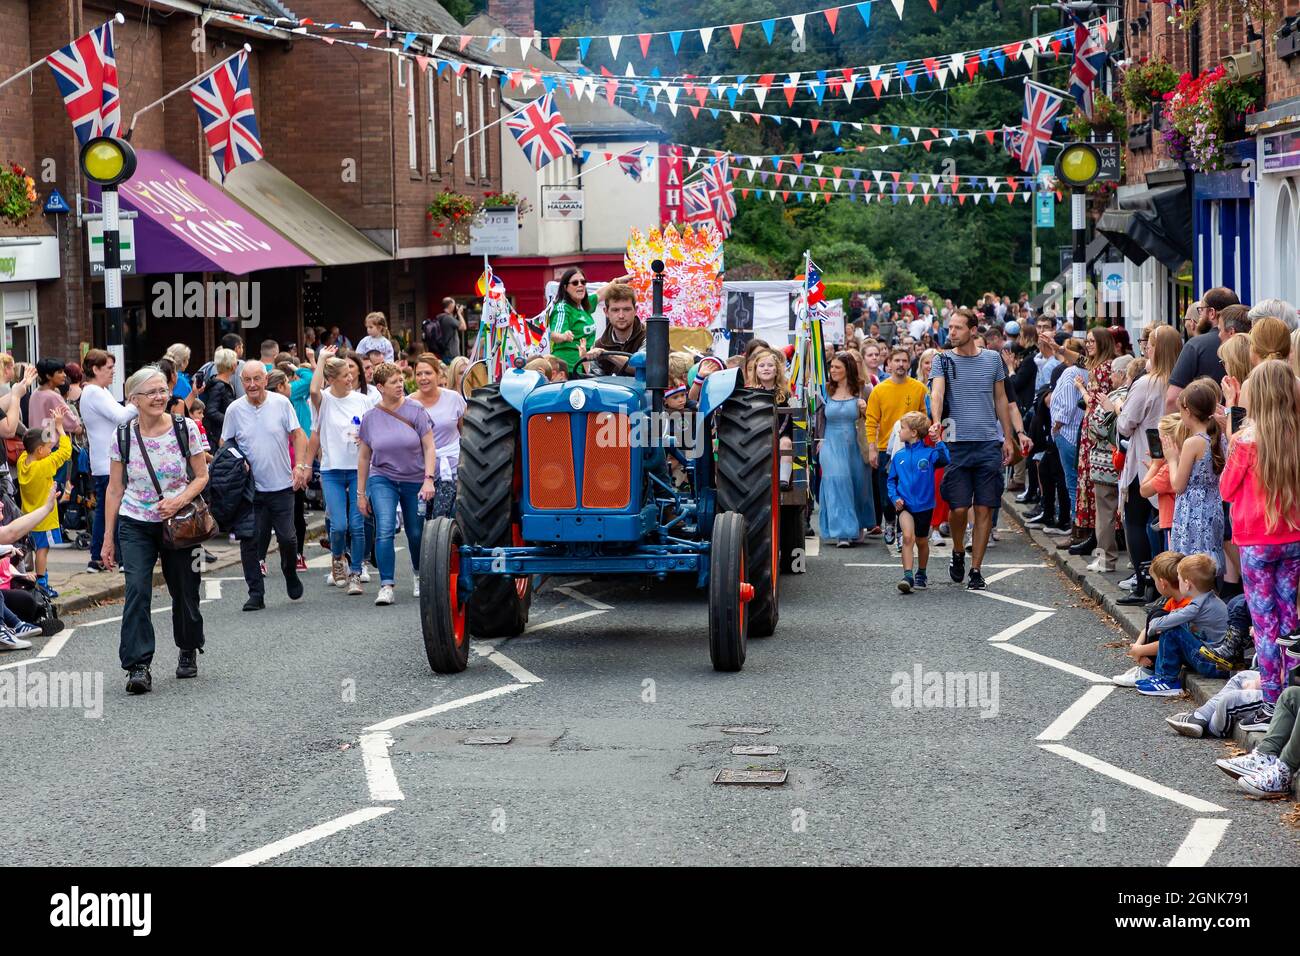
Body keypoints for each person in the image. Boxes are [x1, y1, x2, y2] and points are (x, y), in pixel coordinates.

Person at [101, 366, 209, 694]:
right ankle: (138, 666)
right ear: (133, 399)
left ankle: (188, 647)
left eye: (163, 390)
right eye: (151, 392)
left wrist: (178, 501)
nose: (160, 397)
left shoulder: (184, 427)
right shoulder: (122, 435)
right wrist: (108, 538)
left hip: (180, 522)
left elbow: (202, 476)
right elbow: (114, 489)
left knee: (185, 589)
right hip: (136, 522)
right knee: (136, 589)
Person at [928, 308, 1031, 590]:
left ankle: (976, 568)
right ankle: (958, 551)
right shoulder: (943, 361)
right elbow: (936, 393)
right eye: (949, 328)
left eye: (957, 328)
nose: (951, 333)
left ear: (973, 330)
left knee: (985, 507)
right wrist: (936, 422)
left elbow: (1001, 399)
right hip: (956, 443)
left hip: (988, 442)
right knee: (959, 508)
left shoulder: (992, 360)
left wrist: (1007, 438)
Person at [1218, 359, 1300, 714]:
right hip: (1293, 535)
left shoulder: (1245, 441)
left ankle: (1271, 700)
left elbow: (1226, 489)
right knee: (1291, 622)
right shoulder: (1296, 435)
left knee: (1265, 624)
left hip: (1255, 541)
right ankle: (1292, 698)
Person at [220, 362, 309, 611]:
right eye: (246, 380)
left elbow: (299, 435)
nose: (251, 385)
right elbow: (225, 443)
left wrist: (300, 466)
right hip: (249, 489)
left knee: (288, 539)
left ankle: (289, 572)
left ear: (265, 378)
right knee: (250, 541)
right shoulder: (234, 410)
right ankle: (255, 594)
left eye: (256, 379)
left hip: (281, 484)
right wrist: (238, 462)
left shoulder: (281, 403)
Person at [357, 363, 438, 605]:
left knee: (415, 532)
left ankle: (418, 574)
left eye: (401, 380)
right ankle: (386, 585)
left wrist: (429, 479)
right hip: (383, 478)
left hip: (415, 479)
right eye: (394, 382)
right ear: (380, 387)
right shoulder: (370, 417)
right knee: (384, 529)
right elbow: (363, 456)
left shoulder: (416, 410)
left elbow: (429, 446)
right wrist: (361, 493)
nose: (400, 385)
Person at [308, 347, 372, 594]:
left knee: (357, 525)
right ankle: (337, 558)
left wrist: (365, 439)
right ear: (332, 379)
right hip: (332, 470)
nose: (350, 378)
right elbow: (314, 390)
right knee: (339, 526)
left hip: (358, 469)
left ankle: (355, 573)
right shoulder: (324, 400)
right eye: (345, 375)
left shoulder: (363, 400)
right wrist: (322, 359)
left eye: (350, 373)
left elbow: (371, 430)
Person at [1132, 554, 1229, 697]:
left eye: (1179, 579)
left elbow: (1160, 624)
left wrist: (1153, 625)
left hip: (1212, 664)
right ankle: (1162, 675)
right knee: (1176, 628)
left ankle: (1167, 680)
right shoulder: (1210, 598)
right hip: (1217, 662)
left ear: (1187, 584)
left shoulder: (1197, 606)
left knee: (1173, 630)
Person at [78, 349, 136, 573]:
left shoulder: (94, 392)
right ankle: (118, 558)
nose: (113, 372)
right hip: (108, 461)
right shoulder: (95, 392)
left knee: (105, 509)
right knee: (114, 509)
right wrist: (137, 401)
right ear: (95, 369)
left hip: (103, 460)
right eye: (109, 368)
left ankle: (98, 558)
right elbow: (121, 417)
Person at [865, 348, 928, 547]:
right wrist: (872, 448)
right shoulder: (880, 390)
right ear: (889, 364)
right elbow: (871, 421)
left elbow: (926, 418)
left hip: (912, 450)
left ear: (909, 364)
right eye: (896, 360)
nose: (900, 364)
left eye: (904, 361)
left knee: (907, 492)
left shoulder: (919, 388)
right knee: (887, 495)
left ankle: (903, 532)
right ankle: (890, 521)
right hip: (886, 450)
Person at [1165, 378, 1225, 574]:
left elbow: (1178, 485)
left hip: (1192, 509)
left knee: (1191, 562)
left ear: (1188, 411)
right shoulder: (1219, 436)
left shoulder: (1193, 443)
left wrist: (1172, 459)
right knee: (1208, 558)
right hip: (1213, 504)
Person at [1069, 327, 1118, 558]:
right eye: (1086, 341)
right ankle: (1098, 535)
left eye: (1092, 342)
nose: (1088, 345)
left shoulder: (1100, 369)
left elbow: (1094, 402)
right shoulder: (1105, 365)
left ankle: (1097, 537)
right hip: (1103, 428)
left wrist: (1080, 387)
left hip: (1096, 429)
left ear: (1102, 343)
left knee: (1093, 482)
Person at [888, 411, 949, 593]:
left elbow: (946, 459)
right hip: (904, 505)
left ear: (914, 432)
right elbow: (891, 480)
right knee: (907, 537)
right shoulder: (898, 456)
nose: (899, 432)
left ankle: (921, 573)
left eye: (902, 428)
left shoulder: (930, 454)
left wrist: (938, 440)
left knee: (922, 541)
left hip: (924, 505)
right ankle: (907, 575)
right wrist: (895, 498)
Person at [818, 353, 875, 547]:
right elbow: (818, 418)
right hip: (830, 442)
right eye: (831, 367)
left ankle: (858, 525)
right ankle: (842, 532)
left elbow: (874, 419)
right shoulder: (825, 389)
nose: (832, 371)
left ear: (847, 369)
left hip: (856, 444)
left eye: (837, 367)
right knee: (837, 481)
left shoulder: (863, 389)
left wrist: (865, 409)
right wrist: (819, 439)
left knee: (859, 485)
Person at [17, 406, 72, 598]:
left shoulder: (23, 461)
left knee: (31, 549)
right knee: (43, 550)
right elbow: (66, 451)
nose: (52, 449)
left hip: (27, 517)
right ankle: (42, 583)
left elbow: (35, 440)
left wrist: (51, 425)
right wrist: (60, 427)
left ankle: (29, 581)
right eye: (49, 447)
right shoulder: (45, 465)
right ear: (40, 450)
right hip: (44, 519)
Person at [1112, 550, 1187, 686]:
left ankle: (1148, 672)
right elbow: (1150, 626)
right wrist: (1138, 647)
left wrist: (1140, 651)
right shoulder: (1173, 600)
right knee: (1156, 614)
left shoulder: (1188, 606)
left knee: (1158, 615)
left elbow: (1172, 640)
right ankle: (1146, 669)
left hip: (1191, 652)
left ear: (1162, 583)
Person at [408, 353, 466, 516]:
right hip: (419, 469)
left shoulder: (454, 399)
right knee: (420, 520)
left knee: (440, 518)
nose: (423, 378)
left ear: (438, 374)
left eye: (428, 373)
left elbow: (465, 434)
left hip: (449, 468)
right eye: (419, 374)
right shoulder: (408, 403)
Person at [1166, 286, 1240, 412]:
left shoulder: (1195, 346)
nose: (1199, 315)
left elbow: (1172, 399)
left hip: (1204, 425)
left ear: (1212, 313)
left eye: (1201, 310)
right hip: (1242, 425)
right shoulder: (1249, 343)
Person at [549, 267, 632, 374]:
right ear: (565, 287)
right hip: (567, 368)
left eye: (583, 282)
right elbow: (553, 335)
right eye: (575, 283)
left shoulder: (583, 305)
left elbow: (599, 294)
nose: (580, 285)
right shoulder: (563, 308)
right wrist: (563, 336)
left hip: (583, 364)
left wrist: (618, 281)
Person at [745, 347, 794, 486]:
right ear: (756, 370)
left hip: (780, 431)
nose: (766, 369)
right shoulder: (750, 393)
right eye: (761, 366)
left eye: (770, 365)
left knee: (786, 443)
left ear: (776, 370)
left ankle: (783, 479)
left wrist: (776, 434)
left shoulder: (784, 393)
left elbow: (785, 419)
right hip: (757, 432)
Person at [584, 283, 645, 375]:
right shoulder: (599, 345)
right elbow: (596, 381)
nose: (621, 316)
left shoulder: (649, 337)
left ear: (635, 310)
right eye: (615, 310)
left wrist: (608, 355)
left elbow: (641, 368)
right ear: (606, 312)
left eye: (626, 309)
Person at [201, 347, 239, 452]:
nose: (237, 365)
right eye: (237, 362)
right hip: (218, 436)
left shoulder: (222, 383)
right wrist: (230, 420)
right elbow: (211, 411)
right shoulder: (219, 386)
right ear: (232, 365)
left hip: (221, 433)